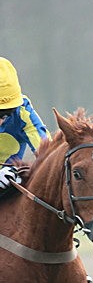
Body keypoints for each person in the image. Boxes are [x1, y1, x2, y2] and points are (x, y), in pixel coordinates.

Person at [0, 57, 50, 191]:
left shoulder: (23, 112)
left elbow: (49, 155)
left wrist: (19, 172)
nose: (1, 121)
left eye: (6, 113)